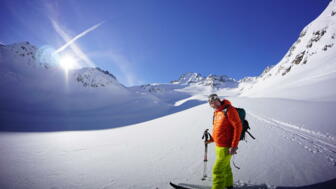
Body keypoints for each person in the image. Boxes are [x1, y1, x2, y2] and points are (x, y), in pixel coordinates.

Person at [206, 94, 242, 189]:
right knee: (225, 168)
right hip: (218, 147)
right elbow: (218, 129)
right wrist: (212, 139)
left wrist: (234, 145)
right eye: (211, 103)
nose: (214, 104)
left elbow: (238, 127)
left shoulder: (229, 110)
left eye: (215, 101)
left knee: (217, 170)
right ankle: (228, 186)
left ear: (219, 100)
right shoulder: (217, 112)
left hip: (227, 147)